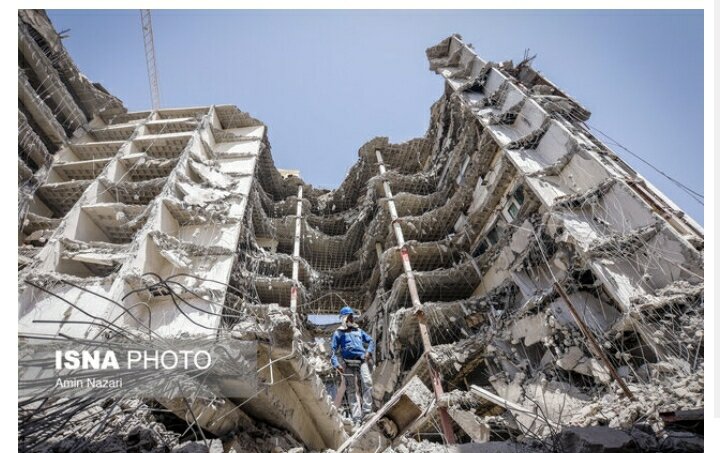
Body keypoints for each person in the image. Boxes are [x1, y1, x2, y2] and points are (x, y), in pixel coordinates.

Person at [330, 306, 375, 424]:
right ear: (344, 318)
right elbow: (333, 351)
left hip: (362, 360)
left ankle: (366, 413)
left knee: (368, 383)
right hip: (348, 363)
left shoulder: (359, 331)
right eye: (349, 317)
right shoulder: (338, 333)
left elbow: (370, 341)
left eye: (352, 316)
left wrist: (369, 352)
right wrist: (336, 364)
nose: (351, 319)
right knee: (351, 390)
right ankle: (356, 418)